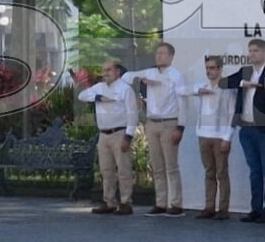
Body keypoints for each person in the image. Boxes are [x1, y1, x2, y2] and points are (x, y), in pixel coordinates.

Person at [219, 39, 265, 224]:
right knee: (254, 170)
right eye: (250, 51)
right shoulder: (245, 71)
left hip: (264, 129)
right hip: (247, 128)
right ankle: (256, 209)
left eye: (256, 50)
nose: (252, 54)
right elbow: (223, 83)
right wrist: (244, 83)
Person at [124, 42, 187, 217]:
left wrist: (180, 127)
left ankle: (176, 204)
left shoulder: (176, 76)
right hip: (152, 123)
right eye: (157, 53)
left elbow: (183, 102)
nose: (159, 56)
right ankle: (160, 203)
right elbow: (127, 76)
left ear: (171, 57)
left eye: (163, 53)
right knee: (157, 166)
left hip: (169, 122)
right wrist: (140, 80)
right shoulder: (150, 72)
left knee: (171, 165)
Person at [76, 60, 138, 216]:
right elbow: (82, 95)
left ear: (117, 71)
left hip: (119, 133)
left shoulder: (125, 89)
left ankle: (126, 202)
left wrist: (128, 136)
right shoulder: (99, 87)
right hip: (103, 134)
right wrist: (98, 97)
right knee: (106, 170)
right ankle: (109, 201)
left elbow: (132, 113)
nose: (106, 73)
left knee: (123, 169)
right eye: (104, 70)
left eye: (109, 70)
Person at [189, 56, 234, 220]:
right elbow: (181, 90)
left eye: (212, 68)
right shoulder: (202, 86)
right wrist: (197, 91)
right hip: (203, 135)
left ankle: (223, 208)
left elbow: (232, 114)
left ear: (220, 69)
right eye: (207, 68)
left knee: (221, 173)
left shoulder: (228, 88)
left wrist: (227, 137)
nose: (209, 71)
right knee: (209, 172)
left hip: (220, 136)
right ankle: (209, 207)